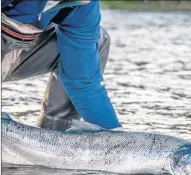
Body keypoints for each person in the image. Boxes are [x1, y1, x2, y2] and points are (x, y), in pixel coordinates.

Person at [1, 0, 122, 131]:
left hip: (15, 46)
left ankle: (51, 139)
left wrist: (118, 140)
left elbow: (83, 82)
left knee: (98, 41)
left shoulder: (84, 6)